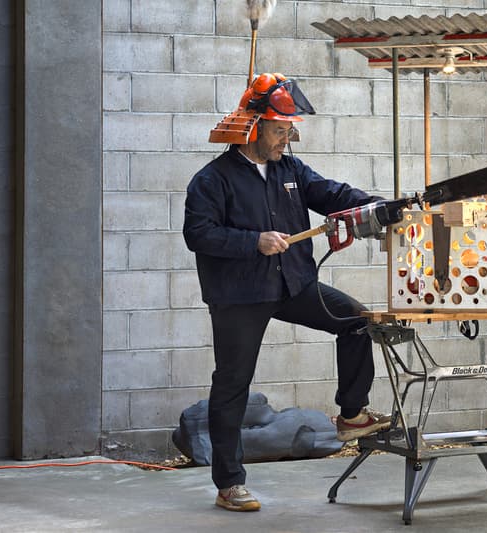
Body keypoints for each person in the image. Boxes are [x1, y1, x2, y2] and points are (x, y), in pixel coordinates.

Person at [183, 73, 391, 513]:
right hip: (240, 294)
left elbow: (331, 193)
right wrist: (252, 241)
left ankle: (352, 414)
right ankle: (229, 484)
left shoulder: (290, 169)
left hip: (294, 284)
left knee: (356, 321)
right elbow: (197, 234)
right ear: (253, 128)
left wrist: (378, 206)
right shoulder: (212, 179)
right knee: (233, 383)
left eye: (289, 130)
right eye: (280, 130)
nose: (287, 138)